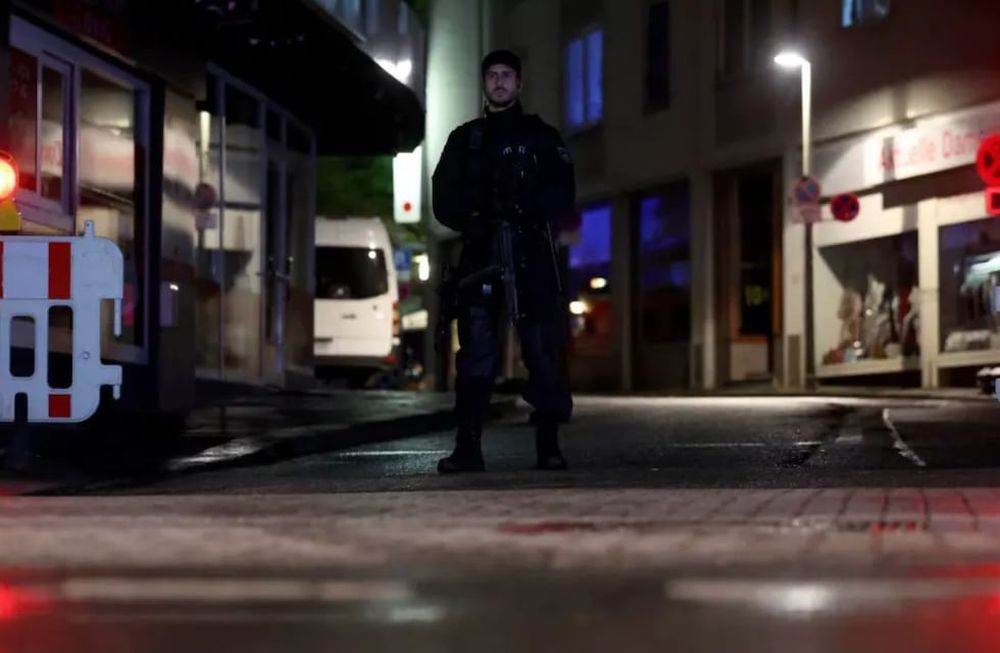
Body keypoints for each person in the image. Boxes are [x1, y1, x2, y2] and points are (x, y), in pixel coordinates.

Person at [431, 49, 575, 474]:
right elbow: (443, 196)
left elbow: (563, 194)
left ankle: (548, 445)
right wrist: (473, 220)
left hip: (531, 256)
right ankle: (468, 447)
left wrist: (529, 210)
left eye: (507, 75)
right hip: (480, 255)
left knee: (542, 353)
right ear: (483, 83)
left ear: (519, 83)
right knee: (476, 355)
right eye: (492, 75)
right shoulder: (466, 138)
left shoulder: (541, 136)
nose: (499, 82)